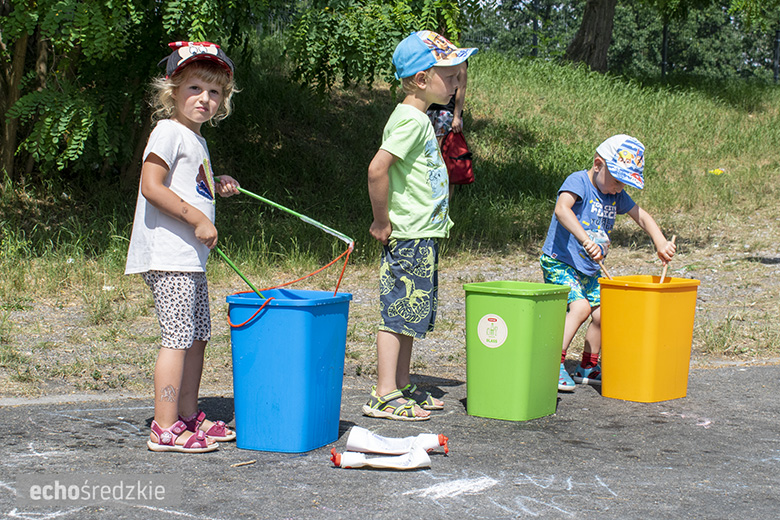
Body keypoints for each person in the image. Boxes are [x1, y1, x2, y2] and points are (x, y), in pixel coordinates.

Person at [125, 41, 241, 452]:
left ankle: (188, 415)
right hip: (168, 256)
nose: (204, 99)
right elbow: (152, 186)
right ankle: (164, 425)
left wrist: (218, 184)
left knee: (197, 337)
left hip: (190, 260)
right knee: (177, 338)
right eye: (195, 88)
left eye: (214, 93)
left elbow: (188, 185)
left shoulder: (196, 142)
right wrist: (197, 218)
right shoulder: (167, 131)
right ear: (173, 90)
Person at [364, 31, 477, 421]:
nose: (457, 80)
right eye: (448, 75)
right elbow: (377, 169)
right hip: (407, 234)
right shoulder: (411, 121)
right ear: (420, 80)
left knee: (411, 310)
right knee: (397, 312)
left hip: (421, 233)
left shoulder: (419, 117)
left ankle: (401, 383)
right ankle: (384, 393)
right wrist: (382, 220)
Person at [540, 135, 676, 392]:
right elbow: (562, 209)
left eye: (625, 184)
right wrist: (585, 239)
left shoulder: (616, 194)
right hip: (561, 262)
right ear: (598, 164)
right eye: (616, 181)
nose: (619, 188)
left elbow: (642, 217)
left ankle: (588, 366)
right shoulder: (578, 181)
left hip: (589, 269)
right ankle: (550, 364)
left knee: (605, 314)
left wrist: (660, 242)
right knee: (580, 308)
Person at [427, 61, 469, 199]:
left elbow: (461, 86)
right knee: (427, 156)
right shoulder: (435, 53)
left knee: (444, 159)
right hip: (429, 108)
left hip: (446, 113)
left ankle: (444, 203)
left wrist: (457, 115)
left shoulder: (460, 57)